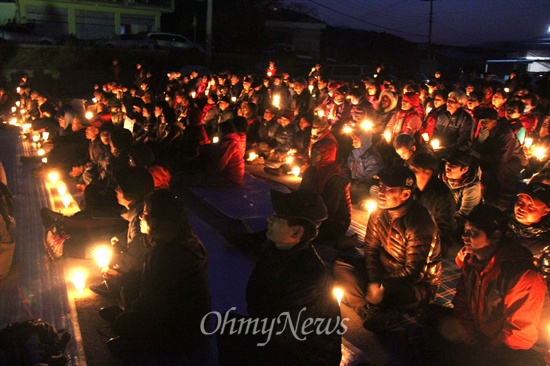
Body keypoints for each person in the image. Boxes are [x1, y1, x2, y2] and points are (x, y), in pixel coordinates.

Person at [222, 189, 342, 365]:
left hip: (306, 355)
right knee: (228, 329)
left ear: (296, 233)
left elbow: (283, 334)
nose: (269, 219)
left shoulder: (308, 277)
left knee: (233, 335)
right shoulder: (275, 251)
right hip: (280, 336)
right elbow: (255, 297)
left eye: (277, 217)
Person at [101, 190, 211, 359]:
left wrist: (128, 316)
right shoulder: (187, 240)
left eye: (144, 214)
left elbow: (151, 302)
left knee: (122, 324)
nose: (140, 218)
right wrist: (121, 278)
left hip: (178, 330)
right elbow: (152, 282)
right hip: (195, 322)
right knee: (127, 292)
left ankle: (143, 347)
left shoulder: (166, 254)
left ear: (157, 221)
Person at [333, 165, 442, 332]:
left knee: (385, 293)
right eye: (381, 186)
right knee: (342, 265)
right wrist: (374, 279)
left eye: (388, 189)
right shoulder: (378, 213)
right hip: (385, 271)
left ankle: (378, 308)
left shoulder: (420, 223)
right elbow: (371, 247)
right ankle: (366, 310)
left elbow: (415, 273)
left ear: (406, 194)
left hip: (414, 285)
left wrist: (381, 283)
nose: (381, 192)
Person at [443, 204, 547, 366]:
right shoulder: (472, 261)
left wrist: (486, 350)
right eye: (465, 230)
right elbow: (461, 301)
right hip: (479, 336)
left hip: (507, 349)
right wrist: (470, 337)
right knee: (434, 320)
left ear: (496, 236)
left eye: (473, 232)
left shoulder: (519, 273)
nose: (464, 236)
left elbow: (519, 332)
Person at [470, 107, 527, 206]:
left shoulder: (505, 134)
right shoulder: (484, 131)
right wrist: (480, 141)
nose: (482, 124)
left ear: (494, 123)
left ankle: (492, 199)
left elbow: (502, 159)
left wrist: (480, 156)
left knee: (497, 169)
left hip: (514, 159)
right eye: (481, 121)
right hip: (490, 156)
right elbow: (474, 149)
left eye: (485, 122)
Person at [409, 152, 456, 256]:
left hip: (436, 242)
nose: (410, 174)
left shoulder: (442, 195)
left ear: (427, 173)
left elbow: (443, 230)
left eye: (414, 171)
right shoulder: (412, 188)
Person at [440, 149, 482, 240]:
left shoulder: (472, 188)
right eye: (447, 163)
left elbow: (464, 215)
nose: (448, 167)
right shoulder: (442, 178)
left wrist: (440, 218)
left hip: (458, 223)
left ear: (464, 169)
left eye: (453, 165)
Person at [507, 182, 550, 258]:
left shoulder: (546, 243)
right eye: (520, 201)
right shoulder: (501, 222)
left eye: (530, 206)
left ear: (545, 211)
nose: (522, 208)